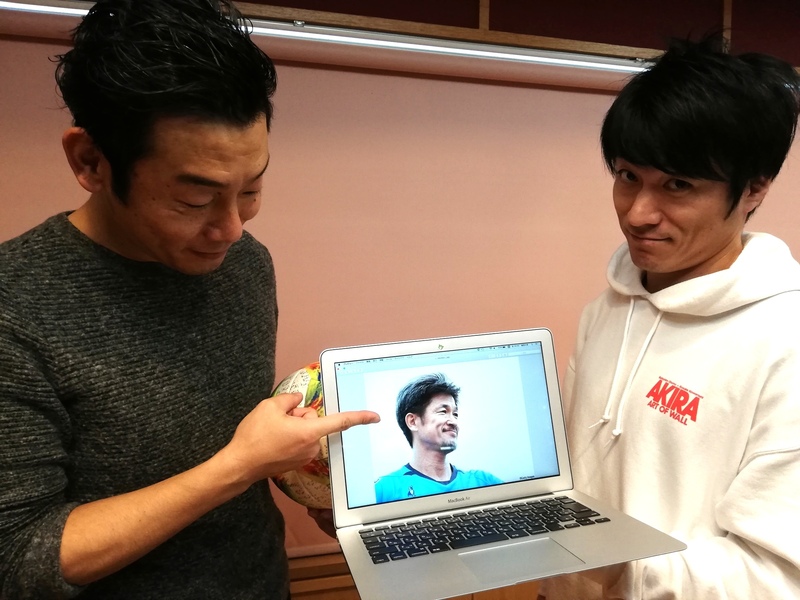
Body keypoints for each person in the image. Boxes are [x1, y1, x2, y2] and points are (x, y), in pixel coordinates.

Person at [0, 1, 379, 598]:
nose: (230, 229)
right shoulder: (15, 306)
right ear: (91, 161)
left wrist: (315, 480)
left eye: (251, 189)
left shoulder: (246, 264)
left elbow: (227, 436)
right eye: (194, 201)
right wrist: (239, 466)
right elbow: (19, 557)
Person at [539, 37, 800, 599]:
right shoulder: (607, 309)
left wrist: (620, 570)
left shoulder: (787, 342)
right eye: (627, 176)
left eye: (677, 185)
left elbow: (779, 576)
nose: (637, 213)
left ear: (754, 188)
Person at [374, 373, 502, 503]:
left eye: (455, 414)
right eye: (443, 412)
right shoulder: (385, 490)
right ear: (412, 422)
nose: (453, 422)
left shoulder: (484, 482)